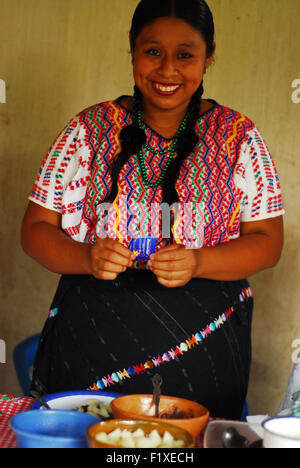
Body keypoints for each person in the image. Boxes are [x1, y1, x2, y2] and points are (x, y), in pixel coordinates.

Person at [21, 0, 284, 419]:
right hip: (93, 343)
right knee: (91, 436)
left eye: (185, 55)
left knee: (186, 437)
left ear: (209, 54)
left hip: (202, 350)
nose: (167, 70)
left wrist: (198, 261)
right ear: (132, 48)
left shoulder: (238, 136)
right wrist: (86, 256)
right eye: (153, 51)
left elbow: (268, 244)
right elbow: (36, 229)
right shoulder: (87, 129)